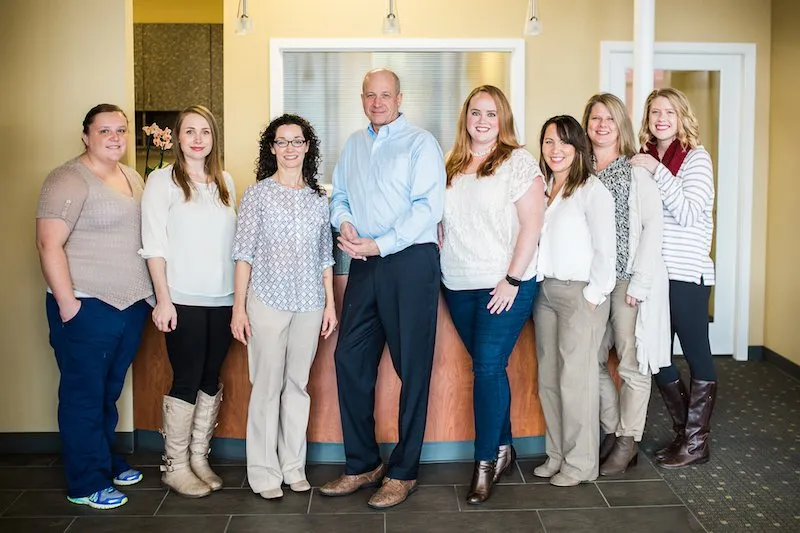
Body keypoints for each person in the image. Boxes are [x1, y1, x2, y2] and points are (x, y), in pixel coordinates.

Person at [319, 68, 445, 509]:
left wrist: (381, 243)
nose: (377, 102)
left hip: (410, 261)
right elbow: (340, 196)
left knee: (413, 368)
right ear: (362, 98)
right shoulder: (353, 144)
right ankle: (363, 463)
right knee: (348, 357)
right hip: (364, 262)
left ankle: (404, 471)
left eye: (385, 95)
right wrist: (346, 223)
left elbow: (428, 207)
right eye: (370, 95)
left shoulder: (421, 143)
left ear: (399, 98)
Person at [35, 104, 153, 509]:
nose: (116, 137)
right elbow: (48, 244)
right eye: (105, 130)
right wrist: (69, 306)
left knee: (107, 392)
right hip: (86, 305)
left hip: (128, 305)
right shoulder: (68, 179)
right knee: (83, 395)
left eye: (121, 130)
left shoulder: (132, 176)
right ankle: (85, 483)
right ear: (86, 135)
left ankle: (103, 460)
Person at [439, 86, 545, 503]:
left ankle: (485, 464)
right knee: (490, 367)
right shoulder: (452, 163)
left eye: (491, 114)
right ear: (466, 116)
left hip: (506, 284)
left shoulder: (517, 162)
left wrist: (512, 280)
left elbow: (532, 226)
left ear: (502, 120)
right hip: (458, 283)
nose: (482, 121)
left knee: (485, 368)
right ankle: (504, 448)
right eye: (475, 113)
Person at [231, 114, 337, 500]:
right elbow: (243, 254)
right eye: (282, 141)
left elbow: (326, 257)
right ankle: (263, 472)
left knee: (298, 386)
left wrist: (329, 305)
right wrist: (238, 308)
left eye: (297, 141)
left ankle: (293, 467)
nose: (290, 148)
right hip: (267, 301)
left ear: (308, 147)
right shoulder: (256, 194)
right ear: (272, 148)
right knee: (266, 387)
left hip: (310, 303)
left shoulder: (319, 198)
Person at [140, 105, 236, 498]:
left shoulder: (225, 181)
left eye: (206, 132)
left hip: (224, 297)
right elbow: (154, 246)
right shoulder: (161, 182)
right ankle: (174, 466)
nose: (198, 139)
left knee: (212, 377)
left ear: (214, 139)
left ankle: (198, 458)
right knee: (187, 376)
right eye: (190, 131)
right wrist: (163, 301)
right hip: (182, 298)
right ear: (178, 138)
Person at [581, 93, 670, 476]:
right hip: (591, 281)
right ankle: (614, 428)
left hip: (628, 280)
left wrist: (641, 281)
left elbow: (653, 226)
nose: (601, 125)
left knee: (632, 365)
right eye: (595, 119)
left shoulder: (635, 171)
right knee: (589, 358)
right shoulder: (578, 168)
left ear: (621, 127)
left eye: (609, 120)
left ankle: (628, 441)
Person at [631, 88, 717, 469]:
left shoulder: (696, 159)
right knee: (657, 357)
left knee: (697, 355)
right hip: (655, 275)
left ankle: (696, 442)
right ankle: (687, 436)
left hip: (687, 274)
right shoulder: (644, 158)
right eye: (654, 112)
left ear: (682, 117)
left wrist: (657, 171)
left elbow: (687, 212)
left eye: (669, 112)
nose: (661, 118)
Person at [532, 115, 616, 487]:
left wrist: (595, 296)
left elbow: (605, 249)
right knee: (549, 380)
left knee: (576, 381)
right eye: (549, 142)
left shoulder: (591, 190)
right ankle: (557, 456)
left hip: (581, 294)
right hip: (545, 292)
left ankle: (582, 465)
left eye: (564, 142)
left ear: (578, 147)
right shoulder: (544, 187)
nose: (555, 150)